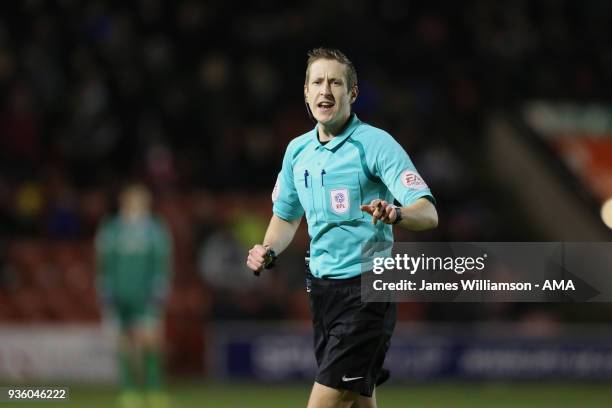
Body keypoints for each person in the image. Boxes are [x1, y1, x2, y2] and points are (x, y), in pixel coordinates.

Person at [246, 48, 438, 408]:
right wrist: (267, 248)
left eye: (336, 82)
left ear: (352, 93)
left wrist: (396, 214)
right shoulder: (296, 152)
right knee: (357, 399)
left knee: (324, 402)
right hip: (322, 291)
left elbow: (428, 213)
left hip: (368, 289)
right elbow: (286, 217)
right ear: (305, 91)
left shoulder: (376, 144)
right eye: (318, 82)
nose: (326, 91)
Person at [95, 183, 172, 408]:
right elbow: (104, 262)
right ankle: (129, 390)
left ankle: (154, 388)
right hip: (119, 293)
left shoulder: (155, 229)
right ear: (125, 202)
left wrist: (160, 288)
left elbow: (162, 261)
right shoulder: (111, 228)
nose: (138, 205)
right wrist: (104, 288)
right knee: (123, 341)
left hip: (145, 294)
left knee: (150, 340)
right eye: (134, 200)